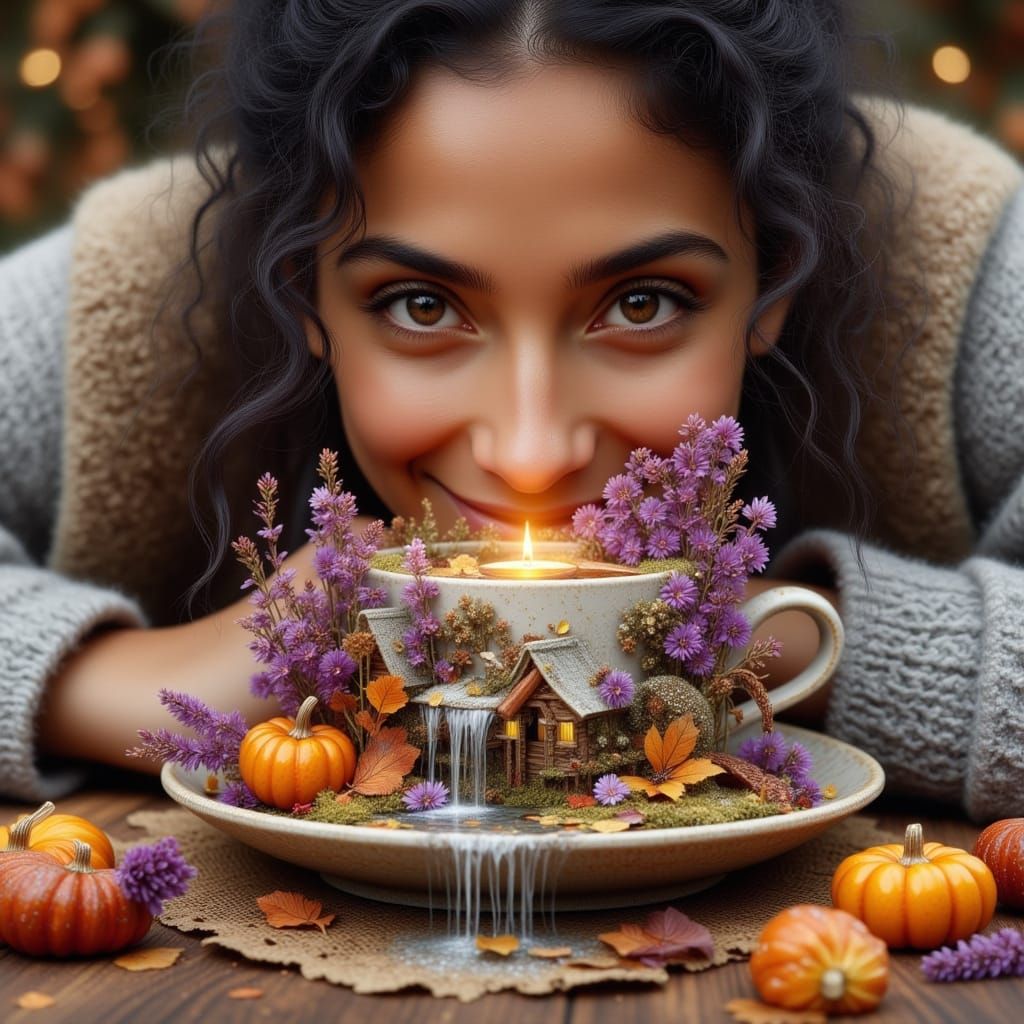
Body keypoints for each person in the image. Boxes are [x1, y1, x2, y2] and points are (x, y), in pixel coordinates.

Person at [1, 1, 1021, 821]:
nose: (531, 453)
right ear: (300, 286)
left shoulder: (961, 260)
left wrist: (754, 646)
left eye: (640, 303)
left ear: (774, 283)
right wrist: (126, 679)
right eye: (423, 306)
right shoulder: (122, 288)